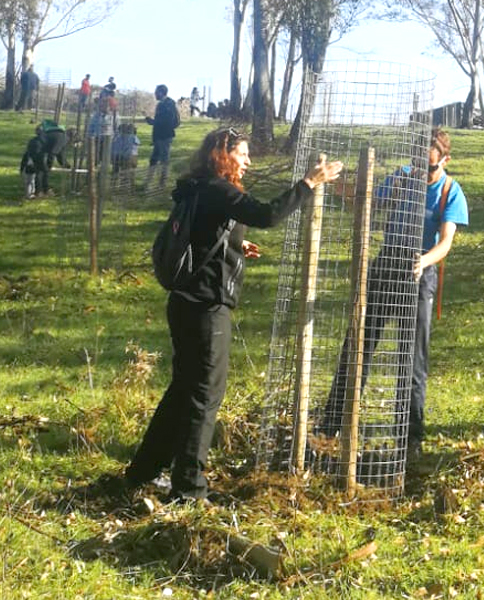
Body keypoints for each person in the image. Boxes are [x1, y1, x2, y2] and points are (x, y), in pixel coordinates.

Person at [122, 128, 343, 502]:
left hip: (185, 303)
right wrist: (309, 182)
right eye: (242, 154)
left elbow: (204, 232)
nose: (248, 160)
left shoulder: (199, 187)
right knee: (205, 395)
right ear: (223, 155)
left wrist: (236, 244)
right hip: (206, 308)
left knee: (183, 392)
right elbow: (268, 214)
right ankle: (189, 489)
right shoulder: (220, 190)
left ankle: (143, 472)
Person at [322, 128, 469, 463]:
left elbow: (445, 242)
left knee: (412, 359)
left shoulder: (450, 191)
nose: (421, 171)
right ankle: (332, 423)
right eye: (417, 162)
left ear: (445, 160)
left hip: (419, 273)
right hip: (385, 265)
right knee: (357, 344)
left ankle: (409, 436)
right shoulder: (402, 178)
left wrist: (424, 260)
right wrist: (334, 183)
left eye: (429, 166)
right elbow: (368, 202)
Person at [143, 84, 181, 193]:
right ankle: (149, 182)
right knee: (154, 159)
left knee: (164, 159)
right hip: (158, 136)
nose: (155, 94)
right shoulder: (160, 105)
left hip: (165, 136)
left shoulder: (169, 104)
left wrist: (153, 122)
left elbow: (166, 121)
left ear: (161, 92)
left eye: (156, 92)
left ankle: (162, 184)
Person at [112, 122, 140, 189]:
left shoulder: (118, 137)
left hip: (120, 156)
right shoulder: (134, 137)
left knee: (119, 172)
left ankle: (117, 185)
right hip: (133, 156)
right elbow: (137, 143)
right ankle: (131, 186)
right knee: (131, 172)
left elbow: (114, 147)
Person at [20, 129, 44, 199]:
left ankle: (29, 194)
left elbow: (27, 154)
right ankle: (32, 193)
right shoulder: (43, 141)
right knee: (33, 179)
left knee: (29, 180)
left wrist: (22, 167)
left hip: (30, 161)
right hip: (36, 161)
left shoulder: (32, 141)